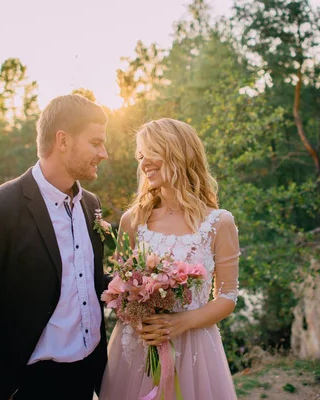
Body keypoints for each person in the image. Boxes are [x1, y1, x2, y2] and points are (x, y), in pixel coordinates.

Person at [0, 94, 110, 400]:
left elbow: (80, 278)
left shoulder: (91, 204)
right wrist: (3, 386)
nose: (104, 153)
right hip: (26, 384)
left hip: (84, 377)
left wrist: (130, 287)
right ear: (63, 141)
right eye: (95, 142)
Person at [99, 118, 239, 399]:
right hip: (138, 347)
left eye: (152, 152)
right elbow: (118, 291)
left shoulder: (219, 223)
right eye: (141, 156)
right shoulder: (132, 221)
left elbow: (227, 297)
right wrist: (139, 320)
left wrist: (180, 322)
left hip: (194, 349)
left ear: (179, 152)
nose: (144, 163)